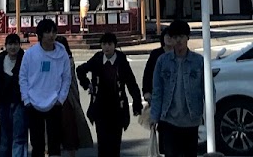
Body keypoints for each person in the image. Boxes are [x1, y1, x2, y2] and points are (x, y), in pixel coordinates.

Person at [76, 32, 142, 157]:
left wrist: (137, 103)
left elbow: (131, 83)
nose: (107, 47)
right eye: (104, 44)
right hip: (100, 107)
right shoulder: (97, 58)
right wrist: (87, 84)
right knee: (102, 144)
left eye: (110, 44)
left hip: (117, 108)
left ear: (114, 45)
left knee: (115, 145)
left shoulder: (121, 60)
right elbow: (80, 70)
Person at [149, 20, 205, 157]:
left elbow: (207, 89)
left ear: (188, 37)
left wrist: (208, 114)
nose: (178, 40)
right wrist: (154, 116)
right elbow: (158, 90)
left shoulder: (199, 61)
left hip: (191, 120)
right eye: (175, 37)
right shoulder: (163, 61)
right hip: (168, 119)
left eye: (181, 36)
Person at [20, 18, 70, 157]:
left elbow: (66, 78)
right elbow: (23, 77)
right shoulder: (30, 54)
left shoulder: (62, 54)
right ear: (40, 35)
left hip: (54, 103)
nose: (51, 35)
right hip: (33, 103)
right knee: (37, 144)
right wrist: (27, 99)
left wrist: (61, 99)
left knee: (55, 143)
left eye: (54, 32)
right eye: (47, 32)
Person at [55, 36, 93, 156]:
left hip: (66, 99)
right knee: (61, 130)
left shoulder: (68, 61)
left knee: (68, 130)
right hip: (61, 99)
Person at [142, 28, 175, 156]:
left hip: (174, 99)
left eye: (171, 36)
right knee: (162, 129)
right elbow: (148, 74)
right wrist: (146, 92)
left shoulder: (179, 54)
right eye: (166, 35)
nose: (169, 38)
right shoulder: (156, 54)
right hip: (159, 98)